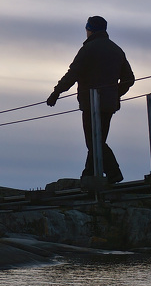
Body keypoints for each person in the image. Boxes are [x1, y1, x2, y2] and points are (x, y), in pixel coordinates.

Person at [47, 15, 136, 183]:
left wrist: (56, 92)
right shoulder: (116, 50)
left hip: (91, 103)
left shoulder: (88, 49)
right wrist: (115, 93)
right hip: (109, 105)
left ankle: (113, 172)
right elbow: (129, 78)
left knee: (94, 141)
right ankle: (88, 174)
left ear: (90, 29)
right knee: (98, 139)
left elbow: (73, 74)